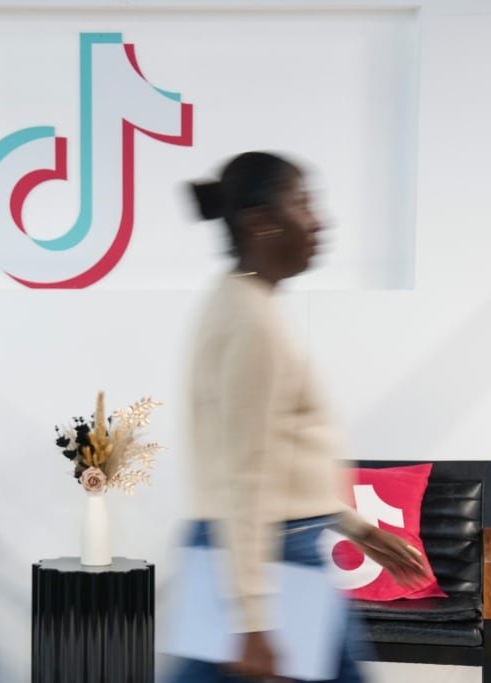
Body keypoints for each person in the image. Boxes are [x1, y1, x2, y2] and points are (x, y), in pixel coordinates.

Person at [172, 151, 429, 682]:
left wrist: (355, 525)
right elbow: (245, 474)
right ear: (260, 222)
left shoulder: (243, 301)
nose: (320, 221)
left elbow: (275, 459)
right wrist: (252, 620)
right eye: (304, 203)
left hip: (256, 548)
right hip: (267, 556)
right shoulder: (252, 321)